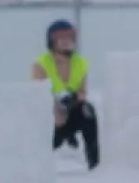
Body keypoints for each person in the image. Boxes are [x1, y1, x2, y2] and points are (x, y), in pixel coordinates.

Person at [32, 19, 98, 170]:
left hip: (71, 109)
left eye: (69, 38)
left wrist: (75, 99)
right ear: (52, 42)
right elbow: (36, 93)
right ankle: (37, 164)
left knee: (88, 111)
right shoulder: (41, 64)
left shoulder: (80, 63)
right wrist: (55, 110)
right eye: (61, 39)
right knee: (48, 140)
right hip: (47, 114)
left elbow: (83, 91)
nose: (66, 42)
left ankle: (94, 163)